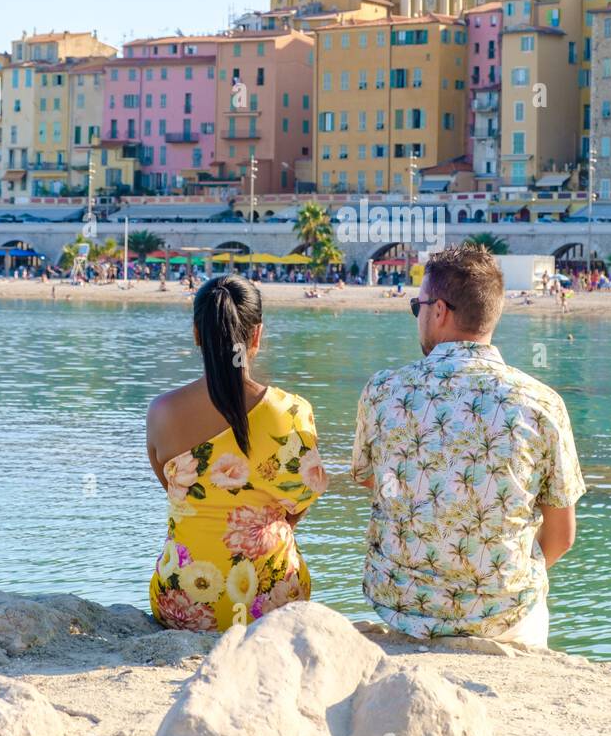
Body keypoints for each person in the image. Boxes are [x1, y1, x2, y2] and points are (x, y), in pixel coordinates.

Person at [351, 243, 585, 646]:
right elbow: (562, 537)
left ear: (439, 311)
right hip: (504, 617)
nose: (418, 315)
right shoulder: (543, 404)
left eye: (417, 306)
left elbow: (373, 481)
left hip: (400, 609)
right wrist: (497, 584)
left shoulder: (383, 390)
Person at [146, 274, 328, 632]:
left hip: (181, 600)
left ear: (197, 334)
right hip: (272, 597)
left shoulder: (162, 412)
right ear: (257, 335)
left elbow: (173, 490)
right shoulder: (290, 411)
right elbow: (301, 503)